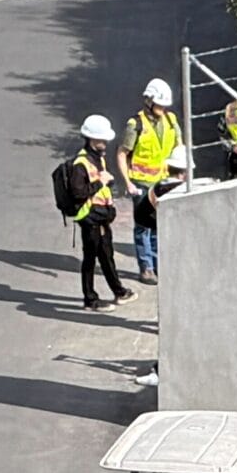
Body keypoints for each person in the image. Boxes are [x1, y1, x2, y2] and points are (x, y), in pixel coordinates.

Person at [63, 115, 133, 310]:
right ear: (91, 139)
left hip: (100, 216)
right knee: (90, 258)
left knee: (106, 255)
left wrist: (105, 183)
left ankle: (118, 292)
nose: (104, 143)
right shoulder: (81, 164)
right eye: (101, 140)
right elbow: (78, 193)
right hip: (90, 218)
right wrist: (100, 182)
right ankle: (91, 299)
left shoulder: (97, 159)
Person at [118, 77, 181, 229]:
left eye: (164, 105)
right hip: (141, 183)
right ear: (149, 101)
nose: (163, 108)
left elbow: (179, 148)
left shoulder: (171, 120)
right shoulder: (135, 124)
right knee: (143, 226)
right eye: (159, 105)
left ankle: (156, 254)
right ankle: (146, 254)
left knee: (159, 224)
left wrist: (179, 174)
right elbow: (122, 153)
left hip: (163, 181)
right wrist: (128, 183)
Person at [133, 144, 186, 284]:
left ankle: (157, 267)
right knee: (148, 234)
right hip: (146, 215)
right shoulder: (173, 187)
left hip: (149, 213)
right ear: (184, 173)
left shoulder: (163, 184)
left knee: (156, 235)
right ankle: (148, 269)